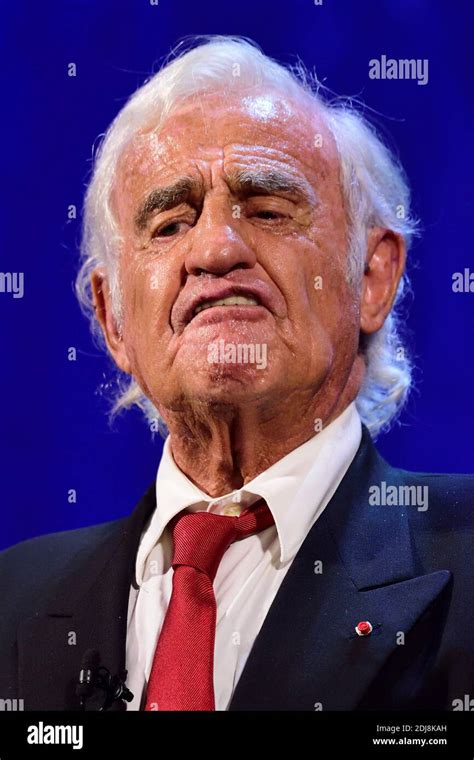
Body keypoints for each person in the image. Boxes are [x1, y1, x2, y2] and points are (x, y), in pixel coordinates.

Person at [1, 35, 473, 712]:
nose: (216, 249)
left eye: (268, 210)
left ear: (372, 277)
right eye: (169, 224)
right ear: (113, 321)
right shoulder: (11, 600)